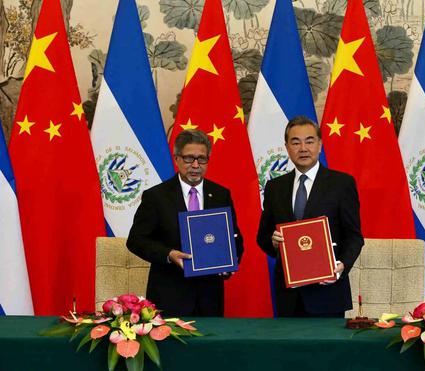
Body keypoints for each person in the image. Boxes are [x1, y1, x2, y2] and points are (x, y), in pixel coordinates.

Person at [127, 129, 243, 317]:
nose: (195, 165)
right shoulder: (156, 197)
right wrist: (168, 254)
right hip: (169, 295)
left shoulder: (221, 194)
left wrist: (228, 263)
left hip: (209, 297)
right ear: (177, 159)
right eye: (189, 158)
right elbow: (136, 240)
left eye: (202, 159)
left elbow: (235, 238)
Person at [257, 116, 363, 317]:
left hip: (327, 293)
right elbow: (262, 237)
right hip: (288, 295)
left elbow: (354, 237)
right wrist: (273, 242)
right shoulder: (275, 188)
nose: (303, 148)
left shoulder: (342, 184)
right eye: (295, 142)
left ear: (320, 145)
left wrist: (341, 267)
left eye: (309, 141)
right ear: (287, 148)